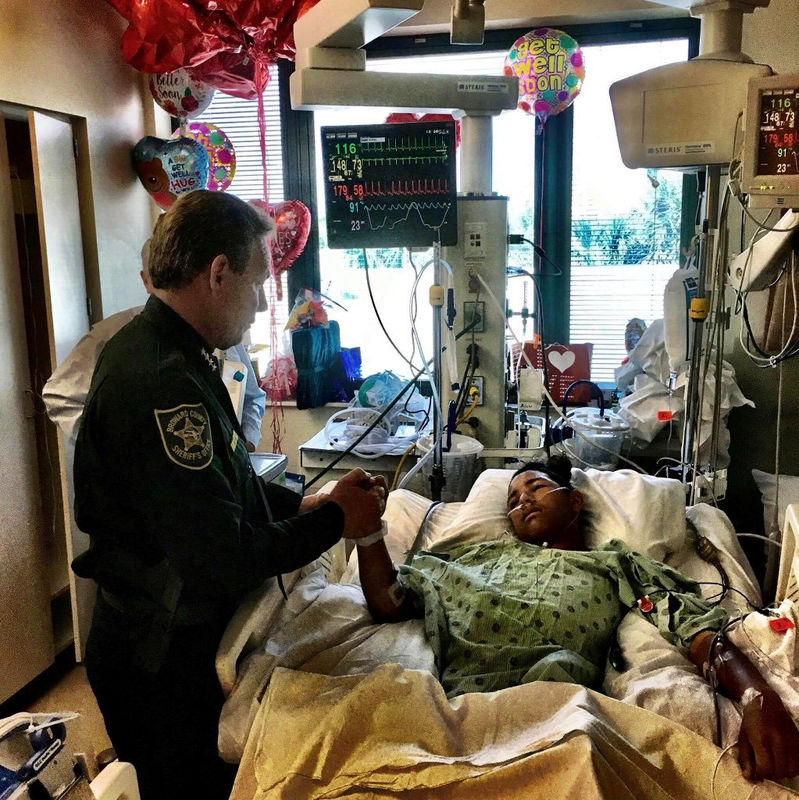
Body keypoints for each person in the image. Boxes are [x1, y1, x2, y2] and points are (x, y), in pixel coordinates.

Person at [72, 190, 388, 800]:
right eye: (259, 284)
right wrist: (335, 524)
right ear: (218, 274)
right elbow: (221, 556)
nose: (264, 304)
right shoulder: (164, 383)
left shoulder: (168, 353)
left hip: (162, 639)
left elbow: (227, 488)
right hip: (157, 662)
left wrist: (305, 505)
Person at [356, 455, 799, 783]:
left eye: (536, 487)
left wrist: (756, 694)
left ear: (574, 501)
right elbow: (390, 600)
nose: (523, 500)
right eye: (512, 500)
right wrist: (369, 531)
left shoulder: (614, 567)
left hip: (554, 721)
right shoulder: (475, 558)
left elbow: (691, 625)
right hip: (451, 722)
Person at [43, 241, 266, 450]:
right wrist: (119, 444)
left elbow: (252, 396)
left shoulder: (221, 331)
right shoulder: (113, 334)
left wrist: (246, 441)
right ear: (146, 280)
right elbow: (59, 395)